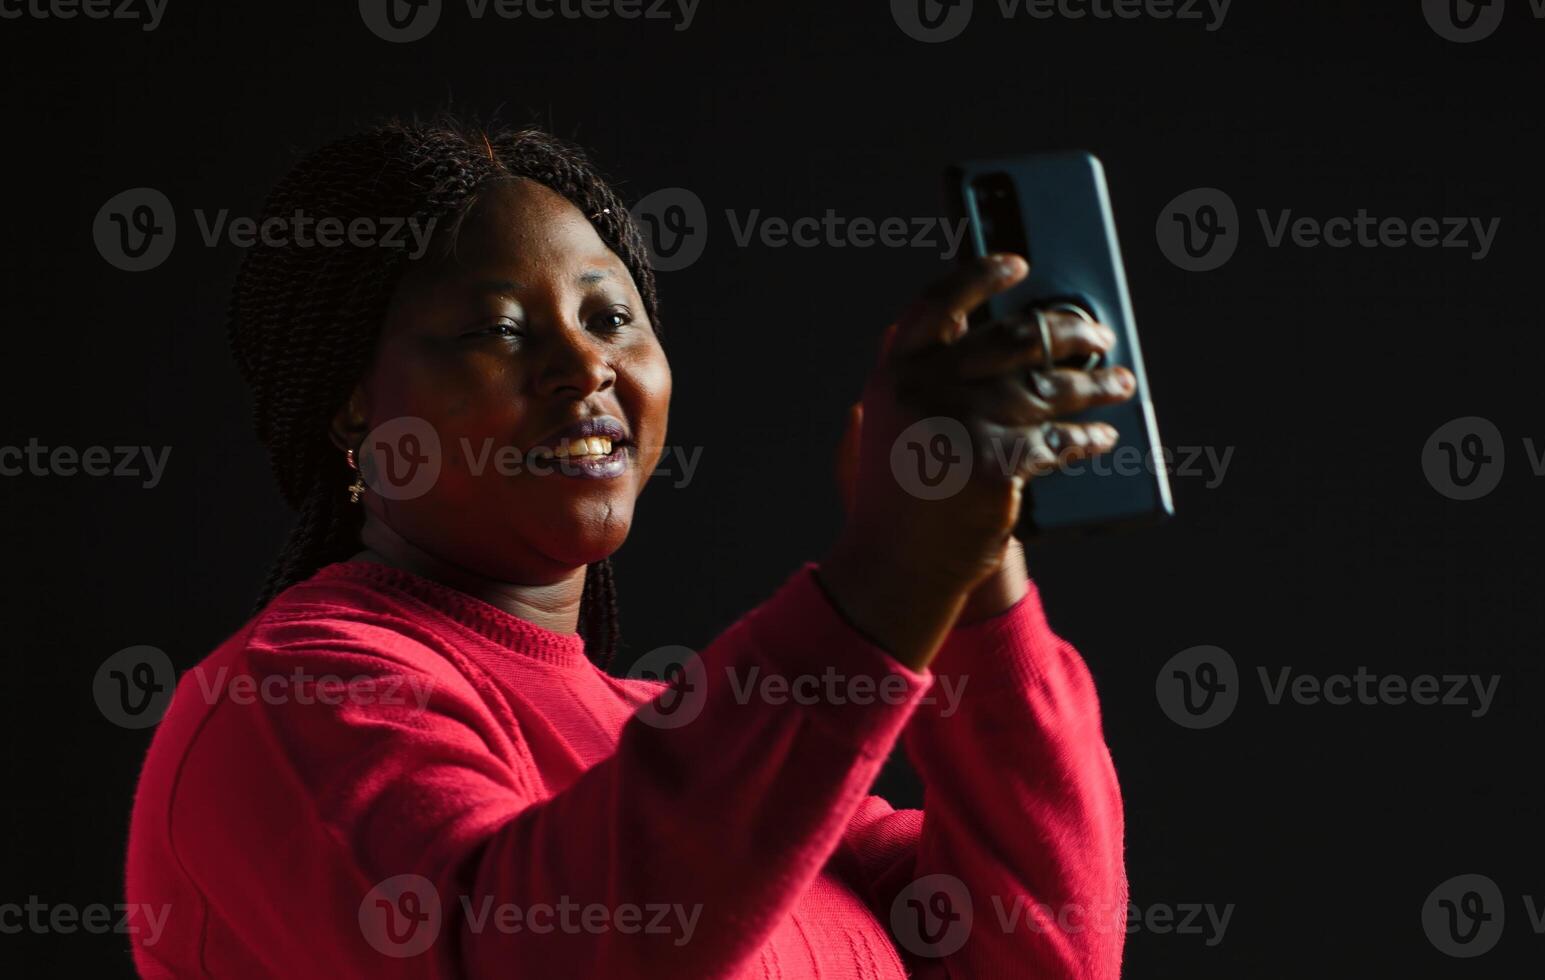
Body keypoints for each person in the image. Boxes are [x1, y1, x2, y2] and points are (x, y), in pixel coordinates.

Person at [126, 120, 1137, 978]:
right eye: (498, 329)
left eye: (611, 316)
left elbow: (1037, 953)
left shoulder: (692, 738)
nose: (585, 365)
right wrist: (890, 570)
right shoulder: (286, 695)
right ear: (354, 405)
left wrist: (972, 563)